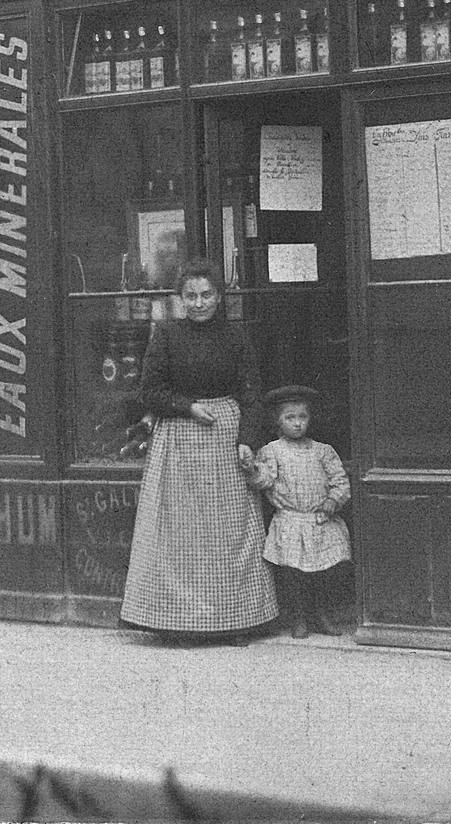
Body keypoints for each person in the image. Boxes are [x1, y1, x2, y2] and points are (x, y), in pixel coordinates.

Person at [118, 261, 279, 641]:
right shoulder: (166, 334)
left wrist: (247, 440)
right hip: (178, 439)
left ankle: (234, 620)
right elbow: (149, 392)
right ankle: (177, 622)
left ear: (219, 297)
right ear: (180, 299)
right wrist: (187, 407)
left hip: (225, 439)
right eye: (190, 296)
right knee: (180, 533)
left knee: (229, 532)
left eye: (206, 294)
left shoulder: (235, 336)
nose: (199, 303)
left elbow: (251, 394)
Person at [244, 385, 352, 638]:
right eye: (289, 418)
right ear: (278, 421)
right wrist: (252, 469)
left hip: (320, 520)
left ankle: (322, 615)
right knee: (293, 575)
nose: (297, 423)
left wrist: (332, 501)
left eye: (302, 417)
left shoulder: (323, 451)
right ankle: (298, 617)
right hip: (290, 521)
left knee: (324, 573)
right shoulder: (272, 451)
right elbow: (264, 480)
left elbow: (340, 481)